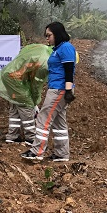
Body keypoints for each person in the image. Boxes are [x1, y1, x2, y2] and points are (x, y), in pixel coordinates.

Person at [21, 22, 77, 162]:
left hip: (60, 89)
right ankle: (62, 154)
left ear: (57, 34)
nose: (47, 38)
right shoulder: (58, 49)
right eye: (46, 36)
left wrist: (68, 90)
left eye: (49, 35)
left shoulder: (66, 48)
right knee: (59, 122)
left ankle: (37, 152)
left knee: (43, 118)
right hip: (57, 88)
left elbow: (69, 71)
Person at [0, 44, 52, 146]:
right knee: (26, 104)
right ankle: (31, 138)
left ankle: (12, 136)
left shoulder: (43, 50)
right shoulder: (45, 64)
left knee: (16, 104)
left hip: (10, 75)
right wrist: (34, 102)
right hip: (15, 77)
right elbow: (35, 85)